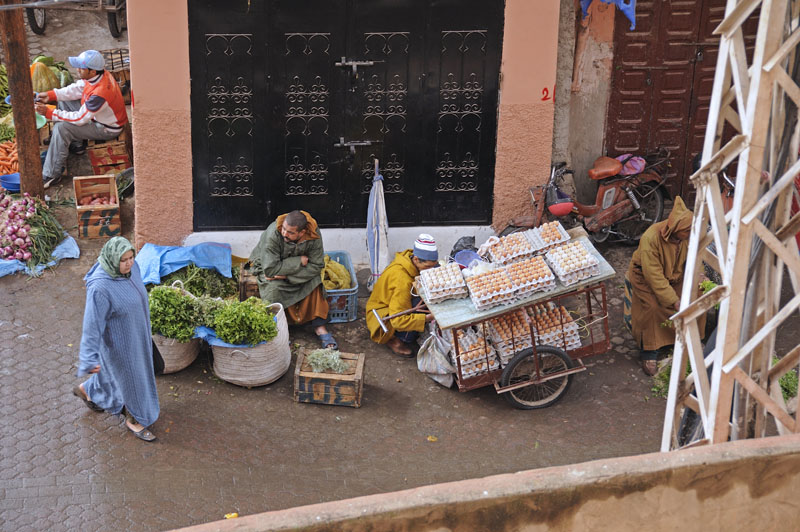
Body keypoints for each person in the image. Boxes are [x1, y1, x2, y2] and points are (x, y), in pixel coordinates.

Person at [74, 237, 160, 442]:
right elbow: (91, 325)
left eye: (131, 257)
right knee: (133, 381)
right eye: (124, 260)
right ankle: (135, 419)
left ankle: (89, 389)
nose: (129, 263)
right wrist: (89, 357)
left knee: (131, 374)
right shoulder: (100, 288)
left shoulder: (133, 269)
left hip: (137, 334)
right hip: (120, 345)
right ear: (113, 259)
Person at [623, 196, 704, 376]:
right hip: (645, 277)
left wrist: (700, 276)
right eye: (687, 231)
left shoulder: (686, 238)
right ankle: (649, 352)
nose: (690, 234)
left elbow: (695, 259)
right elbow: (654, 276)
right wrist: (674, 301)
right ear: (676, 229)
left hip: (676, 274)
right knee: (652, 307)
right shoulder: (650, 238)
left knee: (697, 294)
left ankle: (692, 338)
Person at [34, 49, 128, 189]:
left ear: (92, 71)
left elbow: (80, 119)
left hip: (107, 128)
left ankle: (52, 174)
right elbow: (76, 89)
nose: (77, 69)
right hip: (97, 117)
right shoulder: (99, 75)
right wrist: (51, 95)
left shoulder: (100, 93)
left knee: (62, 128)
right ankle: (77, 144)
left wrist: (49, 113)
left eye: (81, 68)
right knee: (63, 101)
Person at [250, 210, 337, 349]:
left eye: (290, 232)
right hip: (268, 265)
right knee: (273, 289)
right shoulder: (274, 233)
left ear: (302, 233)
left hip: (291, 272)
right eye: (284, 229)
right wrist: (298, 261)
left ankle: (319, 327)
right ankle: (278, 331)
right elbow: (270, 270)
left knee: (315, 283)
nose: (284, 233)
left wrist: (287, 276)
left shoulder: (313, 234)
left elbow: (316, 265)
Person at [366, 234, 439, 357]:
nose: (430, 270)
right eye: (427, 267)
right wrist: (428, 318)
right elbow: (398, 321)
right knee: (421, 306)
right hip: (382, 318)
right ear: (416, 259)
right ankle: (397, 341)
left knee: (424, 297)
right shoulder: (402, 280)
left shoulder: (407, 260)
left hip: (391, 305)